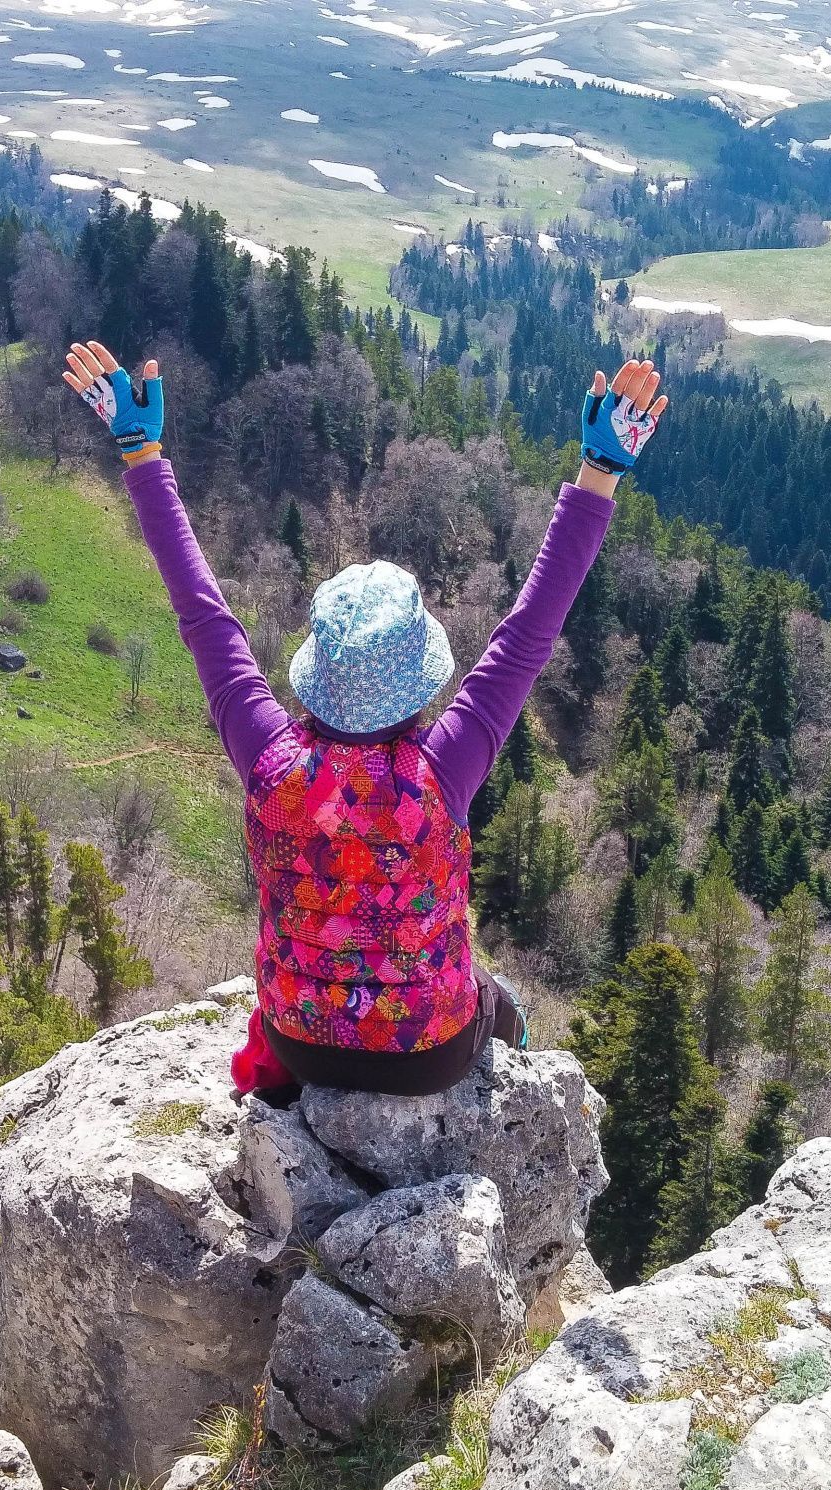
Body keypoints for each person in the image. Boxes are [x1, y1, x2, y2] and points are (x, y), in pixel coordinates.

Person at [64, 339, 667, 1096]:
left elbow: (203, 615)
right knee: (501, 1000)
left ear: (318, 671)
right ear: (418, 679)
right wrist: (600, 468)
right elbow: (528, 635)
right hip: (429, 1054)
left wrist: (140, 452)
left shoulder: (268, 757)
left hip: (298, 1041)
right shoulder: (442, 768)